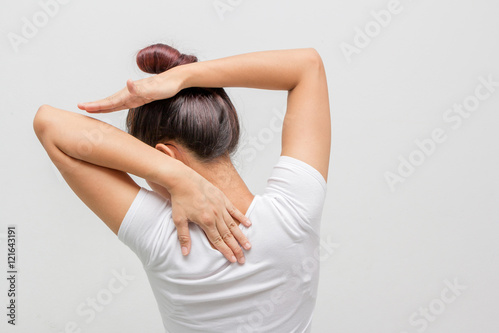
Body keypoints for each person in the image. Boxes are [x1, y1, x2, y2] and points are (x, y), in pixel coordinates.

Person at [33, 44, 331, 332]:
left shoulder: (162, 239)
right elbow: (307, 66)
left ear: (165, 157)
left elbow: (48, 123)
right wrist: (182, 78)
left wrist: (175, 176)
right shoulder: (296, 211)